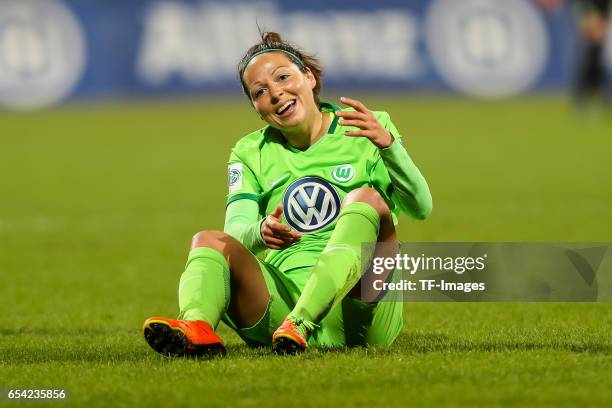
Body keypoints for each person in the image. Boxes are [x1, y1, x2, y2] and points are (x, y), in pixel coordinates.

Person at [142, 32, 432, 357]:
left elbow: (420, 206)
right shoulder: (250, 152)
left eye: (283, 77)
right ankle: (196, 328)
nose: (276, 93)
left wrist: (389, 146)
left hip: (359, 309)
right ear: (256, 108)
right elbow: (236, 232)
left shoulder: (366, 126)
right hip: (280, 307)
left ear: (308, 76)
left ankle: (304, 321)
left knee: (365, 200)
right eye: (260, 92)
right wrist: (261, 230)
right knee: (208, 240)